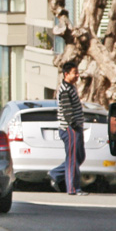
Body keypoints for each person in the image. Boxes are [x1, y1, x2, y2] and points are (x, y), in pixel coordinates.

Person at [49, 60, 88, 196]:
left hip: (76, 128)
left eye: (78, 72)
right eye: (75, 73)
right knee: (72, 158)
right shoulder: (65, 90)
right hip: (70, 129)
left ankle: (55, 173)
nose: (77, 75)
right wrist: (74, 125)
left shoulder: (71, 87)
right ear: (66, 74)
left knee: (79, 157)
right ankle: (73, 188)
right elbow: (67, 111)